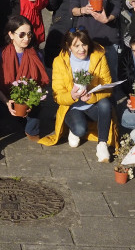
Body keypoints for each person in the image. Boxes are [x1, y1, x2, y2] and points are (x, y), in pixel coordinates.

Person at [39, 28, 117, 162]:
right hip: (72, 107)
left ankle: (102, 144)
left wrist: (91, 96)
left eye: (84, 44)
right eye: (77, 46)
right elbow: (57, 95)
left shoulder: (98, 56)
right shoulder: (59, 61)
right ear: (69, 47)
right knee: (80, 131)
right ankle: (75, 129)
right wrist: (72, 95)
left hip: (92, 104)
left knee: (105, 104)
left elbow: (108, 87)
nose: (82, 49)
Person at [0, 15, 50, 141]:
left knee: (39, 102)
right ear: (11, 35)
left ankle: (31, 129)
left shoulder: (36, 55)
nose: (26, 38)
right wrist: (6, 101)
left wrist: (31, 99)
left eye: (29, 34)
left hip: (27, 98)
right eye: (22, 34)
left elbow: (40, 83)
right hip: (4, 96)